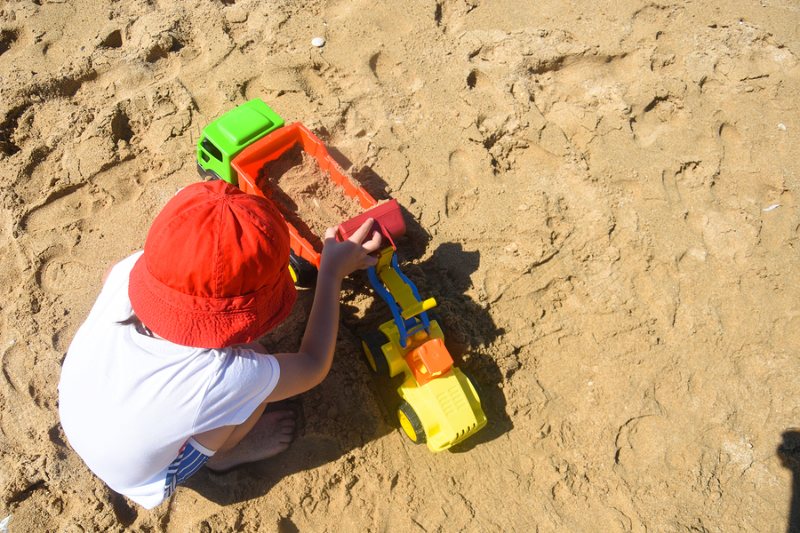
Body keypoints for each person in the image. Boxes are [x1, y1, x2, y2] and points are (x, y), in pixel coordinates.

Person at [58, 180, 381, 509]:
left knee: (243, 374)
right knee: (255, 372)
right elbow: (313, 365)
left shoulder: (126, 272)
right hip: (141, 477)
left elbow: (115, 273)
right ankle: (225, 455)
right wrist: (331, 274)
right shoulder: (224, 375)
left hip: (77, 409)